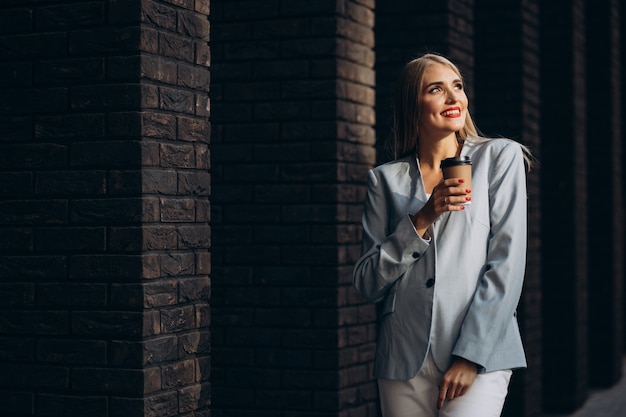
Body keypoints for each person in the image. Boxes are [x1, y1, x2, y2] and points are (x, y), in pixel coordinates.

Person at [352, 53, 530, 417]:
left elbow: (506, 265)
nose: (454, 98)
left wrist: (470, 356)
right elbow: (367, 283)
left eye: (458, 86)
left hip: (477, 356)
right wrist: (422, 218)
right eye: (437, 89)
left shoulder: (499, 158)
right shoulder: (385, 181)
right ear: (412, 105)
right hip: (402, 363)